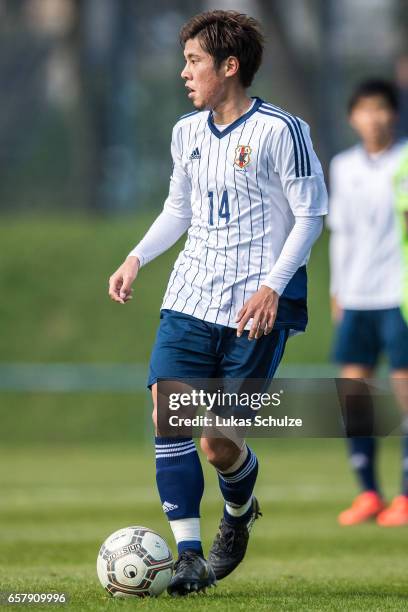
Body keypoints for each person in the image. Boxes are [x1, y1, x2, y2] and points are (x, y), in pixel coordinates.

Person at [109, 10, 327, 595]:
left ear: (229, 67)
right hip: (190, 294)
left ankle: (238, 509)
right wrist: (136, 257)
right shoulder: (185, 131)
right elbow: (177, 209)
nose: (184, 72)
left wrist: (272, 287)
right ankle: (186, 557)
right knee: (171, 413)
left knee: (218, 443)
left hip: (257, 306)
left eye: (194, 61)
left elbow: (312, 216)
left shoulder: (284, 131)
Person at [328, 79, 408, 527]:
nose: (372, 117)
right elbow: (341, 233)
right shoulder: (342, 166)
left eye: (380, 108)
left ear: (392, 114)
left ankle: (406, 496)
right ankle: (369, 494)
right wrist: (337, 289)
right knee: (355, 394)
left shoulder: (406, 159)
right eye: (364, 110)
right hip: (356, 296)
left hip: (399, 295)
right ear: (351, 117)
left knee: (403, 394)